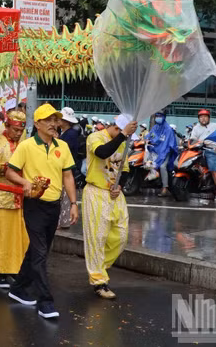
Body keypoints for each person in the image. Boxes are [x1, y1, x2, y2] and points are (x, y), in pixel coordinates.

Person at [4, 103, 79, 319]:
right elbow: (10, 172)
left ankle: (18, 288)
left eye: (55, 120)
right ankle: (45, 301)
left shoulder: (62, 147)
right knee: (39, 253)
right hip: (34, 205)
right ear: (37, 123)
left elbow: (68, 177)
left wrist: (74, 204)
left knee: (39, 251)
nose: (54, 124)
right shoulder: (26, 146)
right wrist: (24, 182)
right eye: (48, 120)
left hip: (54, 205)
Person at [83, 114, 138, 299]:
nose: (128, 138)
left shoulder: (123, 143)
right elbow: (102, 153)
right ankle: (99, 281)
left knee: (121, 237)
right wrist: (124, 134)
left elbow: (124, 170)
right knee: (97, 237)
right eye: (126, 133)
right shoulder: (95, 137)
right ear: (117, 128)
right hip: (96, 192)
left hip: (115, 195)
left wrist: (119, 185)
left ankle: (99, 267)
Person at [0, 110, 29, 288]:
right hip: (0, 194)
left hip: (21, 195)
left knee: (18, 235)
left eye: (20, 130)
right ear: (7, 126)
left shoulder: (25, 144)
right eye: (15, 129)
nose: (18, 133)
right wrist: (6, 168)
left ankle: (15, 269)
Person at [189, 109, 216, 199]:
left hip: (211, 149)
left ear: (209, 118)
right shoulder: (196, 127)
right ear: (199, 119)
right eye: (201, 117)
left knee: (213, 169)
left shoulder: (215, 126)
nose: (203, 119)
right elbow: (192, 139)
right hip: (199, 150)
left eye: (205, 117)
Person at [57, 107, 80, 229]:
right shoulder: (65, 133)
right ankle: (63, 220)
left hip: (67, 167)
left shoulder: (70, 135)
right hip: (65, 167)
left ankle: (63, 221)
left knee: (64, 194)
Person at [147, 112, 179, 197]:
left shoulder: (168, 129)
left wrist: (164, 152)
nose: (158, 118)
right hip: (156, 150)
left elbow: (170, 144)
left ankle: (165, 188)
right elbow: (150, 136)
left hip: (166, 152)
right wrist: (147, 140)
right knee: (147, 163)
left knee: (162, 166)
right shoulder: (155, 127)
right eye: (157, 116)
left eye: (160, 116)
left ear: (164, 117)